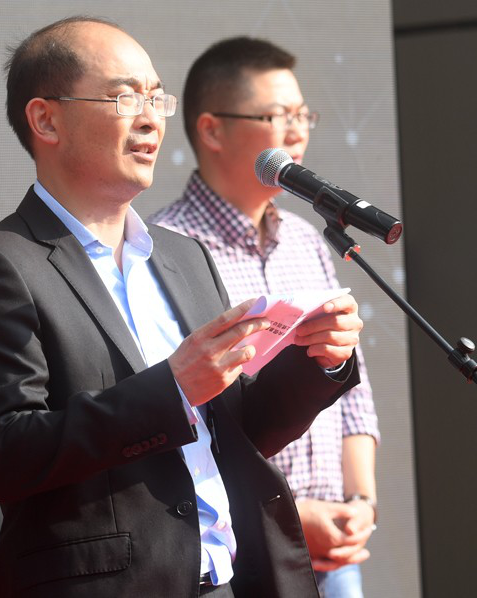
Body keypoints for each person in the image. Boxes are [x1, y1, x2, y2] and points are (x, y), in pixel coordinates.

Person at [0, 17, 364, 598]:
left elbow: (240, 430)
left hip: (228, 581)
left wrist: (319, 362)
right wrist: (173, 389)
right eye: (124, 98)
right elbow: (2, 454)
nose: (149, 119)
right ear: (45, 120)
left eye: (156, 98)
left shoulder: (183, 256)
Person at [148, 37, 379, 598]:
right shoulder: (167, 248)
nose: (297, 132)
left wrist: (361, 502)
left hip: (338, 547)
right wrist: (293, 510)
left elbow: (353, 388)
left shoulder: (307, 239)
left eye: (303, 116)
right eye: (278, 116)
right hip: (243, 546)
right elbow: (188, 419)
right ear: (212, 130)